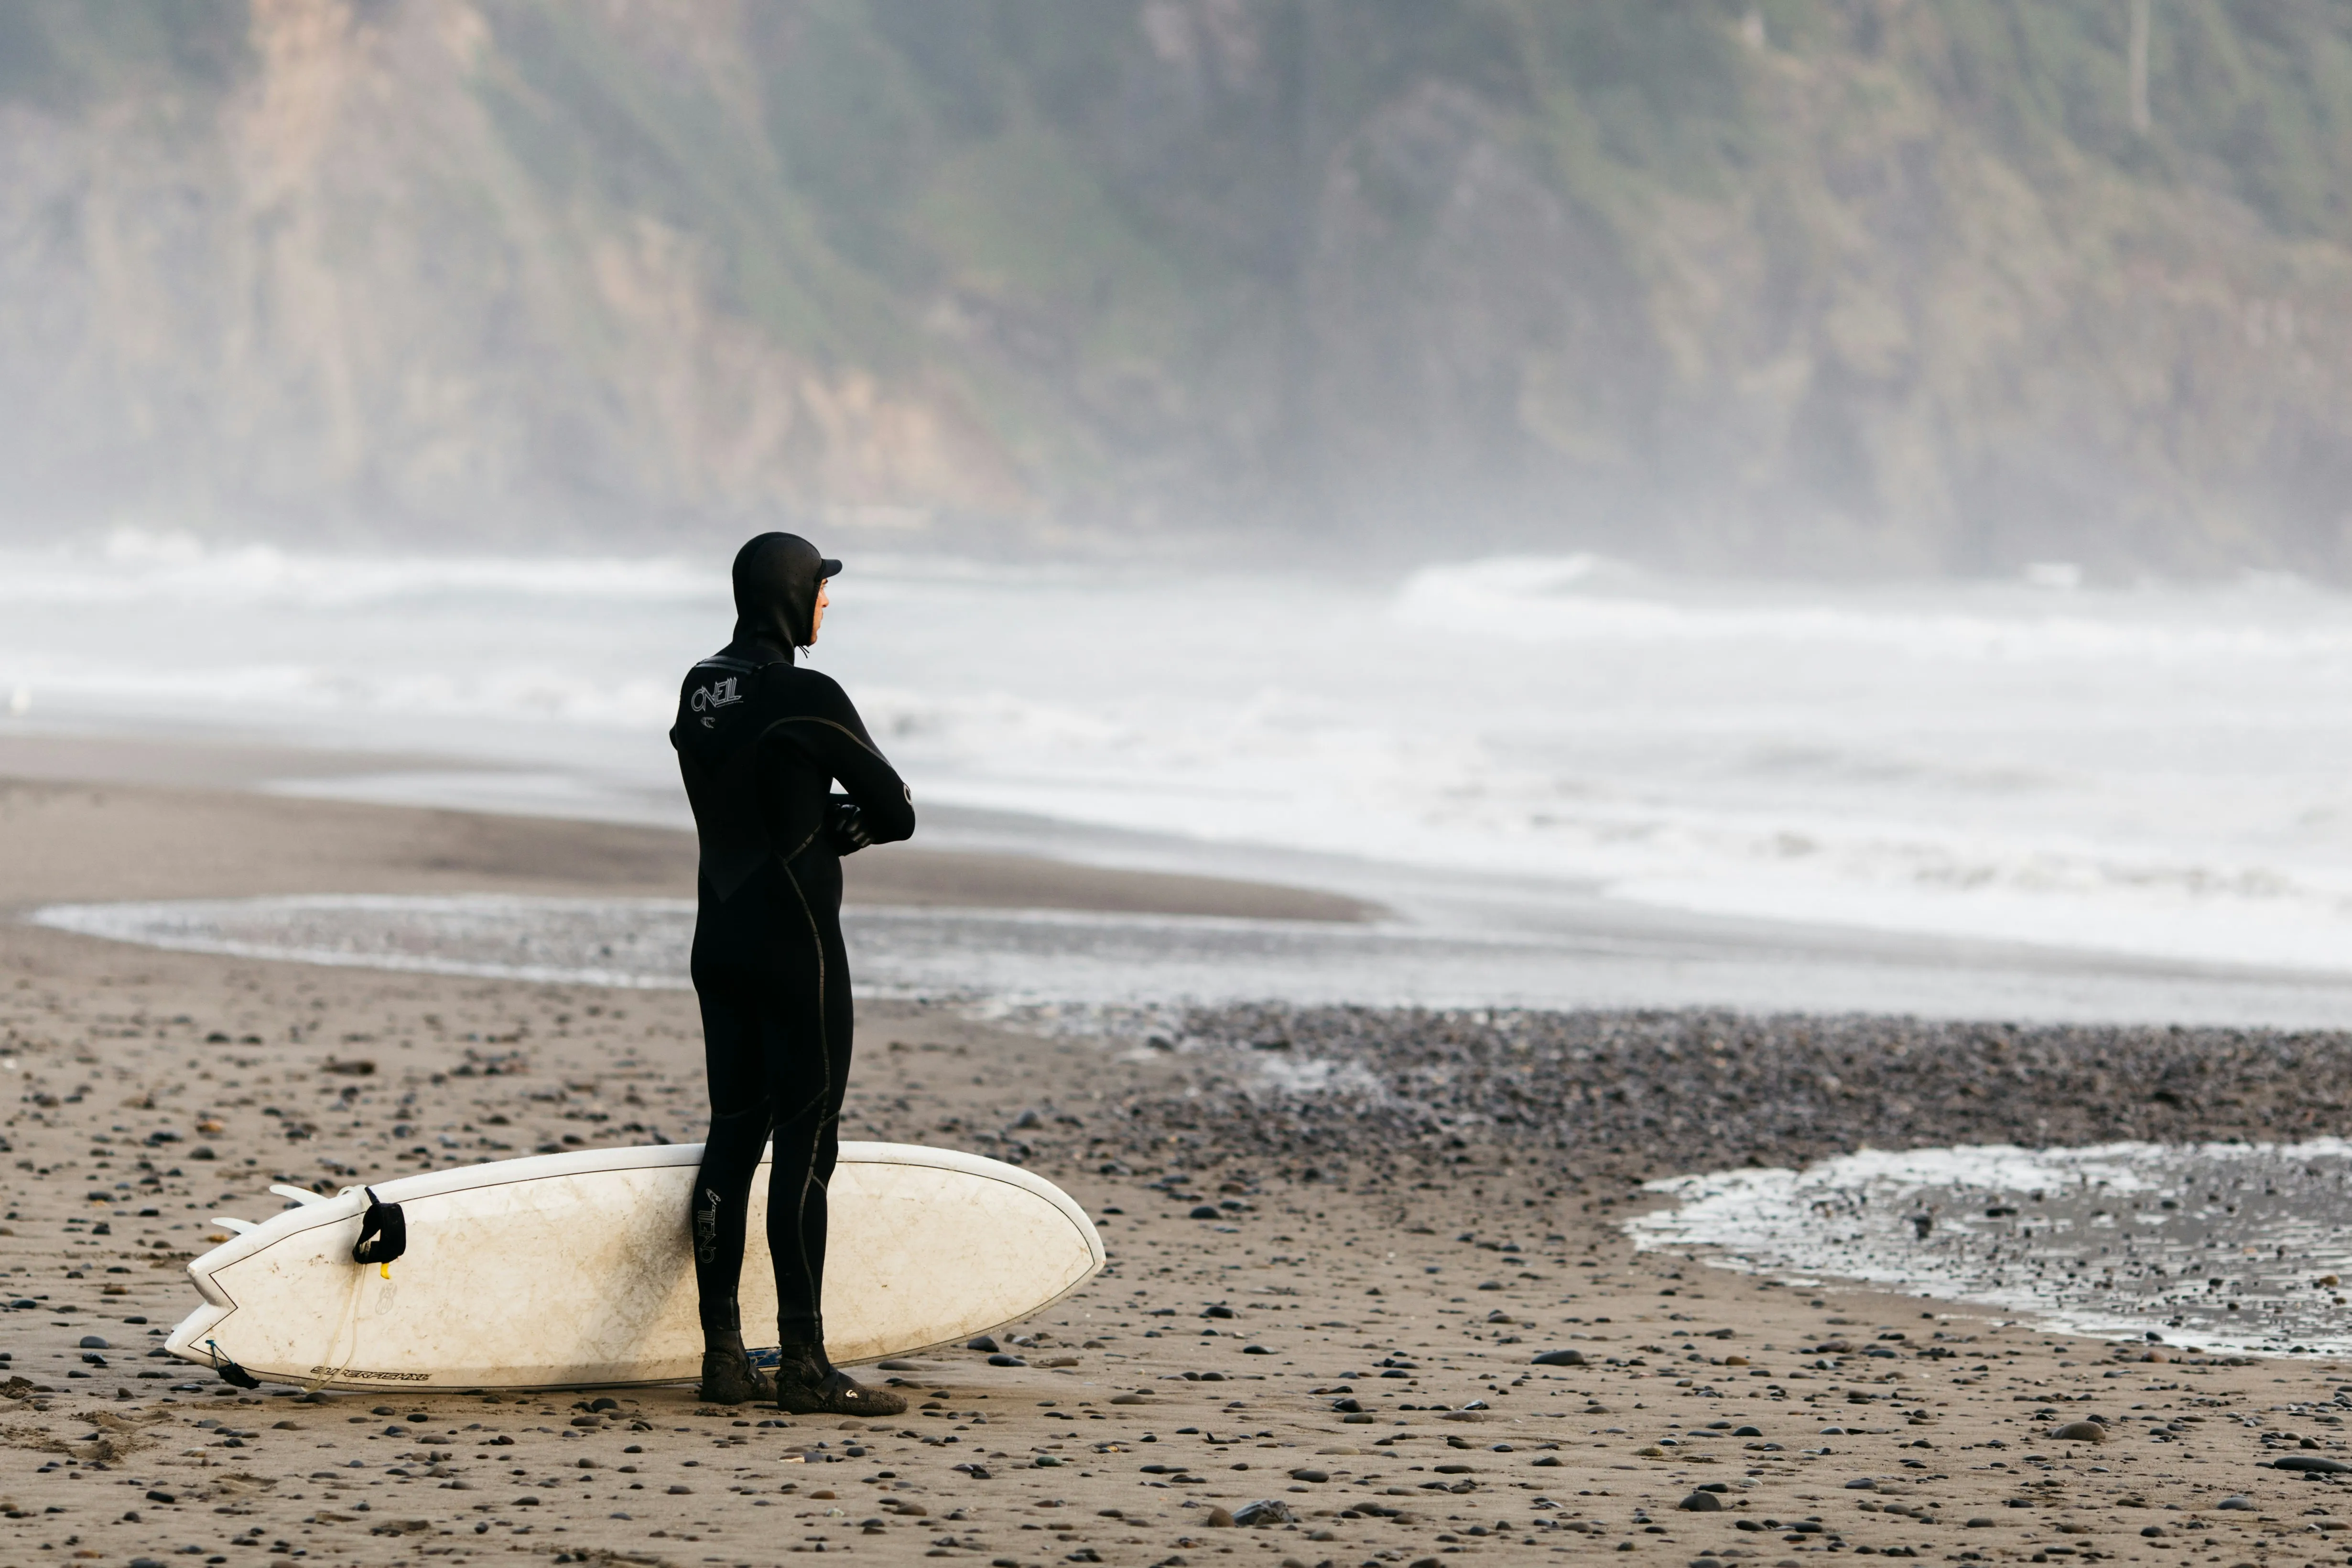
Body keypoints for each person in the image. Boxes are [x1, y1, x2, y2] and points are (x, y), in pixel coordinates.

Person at [670, 532, 916, 1415]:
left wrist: (821, 807)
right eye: (821, 589)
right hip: (795, 948)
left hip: (717, 945)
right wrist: (849, 822)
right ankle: (807, 1366)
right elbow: (895, 809)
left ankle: (724, 1361)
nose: (827, 605)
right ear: (792, 596)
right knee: (807, 1146)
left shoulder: (700, 689)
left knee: (733, 1137)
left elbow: (748, 787)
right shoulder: (809, 694)